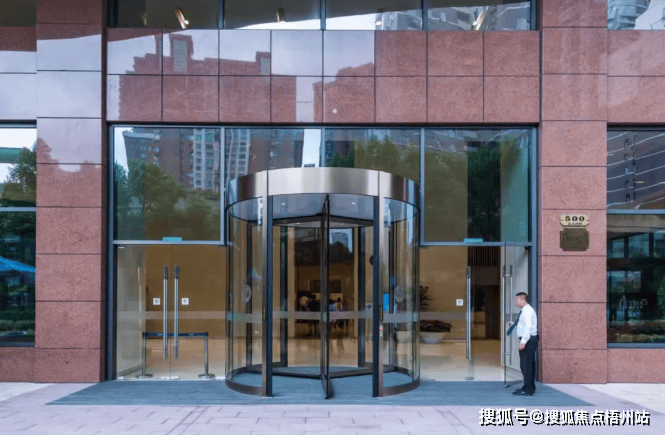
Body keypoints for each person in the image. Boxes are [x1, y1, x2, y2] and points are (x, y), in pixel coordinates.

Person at [508, 291, 538, 396]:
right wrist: (514, 324)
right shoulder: (524, 311)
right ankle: (528, 387)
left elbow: (528, 327)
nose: (515, 302)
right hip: (529, 340)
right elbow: (524, 325)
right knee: (526, 365)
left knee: (526, 366)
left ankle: (528, 390)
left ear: (522, 299)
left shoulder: (527, 311)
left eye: (516, 300)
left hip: (528, 340)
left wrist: (523, 342)